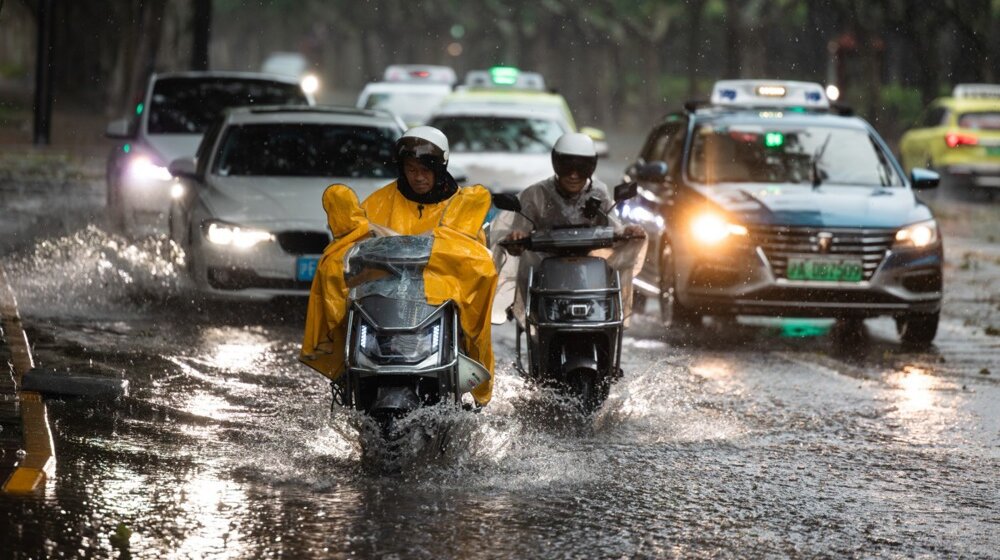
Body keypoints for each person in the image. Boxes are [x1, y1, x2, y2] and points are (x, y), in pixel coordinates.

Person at [301, 126, 497, 406]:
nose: (418, 176)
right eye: (411, 168)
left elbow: (474, 260)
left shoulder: (461, 207)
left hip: (438, 306)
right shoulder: (378, 203)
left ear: (442, 167)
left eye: (426, 169)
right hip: (383, 308)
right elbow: (352, 247)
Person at [493, 132, 646, 323]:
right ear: (556, 164)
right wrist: (516, 238)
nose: (573, 175)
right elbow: (518, 232)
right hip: (544, 274)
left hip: (590, 276)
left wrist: (628, 232)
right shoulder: (535, 194)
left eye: (581, 168)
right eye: (566, 167)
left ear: (591, 167)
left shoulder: (599, 193)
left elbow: (613, 226)